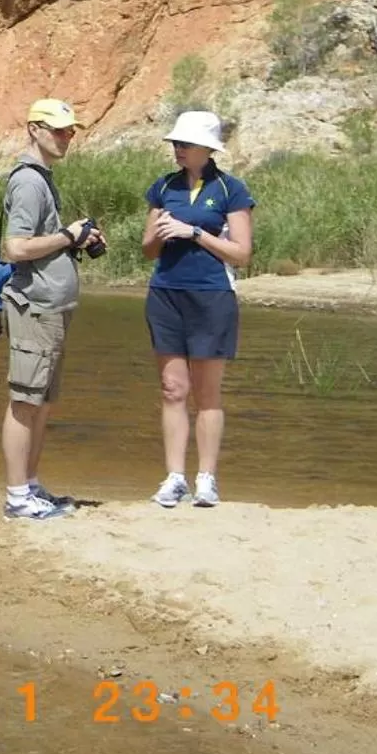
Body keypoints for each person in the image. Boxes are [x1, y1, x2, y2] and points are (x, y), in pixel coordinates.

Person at [141, 110, 255, 509]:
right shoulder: (163, 187)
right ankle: (174, 478)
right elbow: (148, 249)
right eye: (175, 143)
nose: (178, 150)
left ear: (208, 149)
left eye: (185, 144)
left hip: (211, 296)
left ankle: (206, 479)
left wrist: (196, 233)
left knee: (207, 393)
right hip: (166, 293)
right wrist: (158, 231)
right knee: (173, 389)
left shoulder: (231, 190)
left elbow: (241, 254)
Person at [0, 98, 103, 520]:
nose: (67, 137)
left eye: (70, 130)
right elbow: (16, 247)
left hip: (50, 307)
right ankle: (17, 496)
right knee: (25, 401)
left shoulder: (43, 178)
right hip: (35, 307)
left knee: (40, 402)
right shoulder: (28, 182)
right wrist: (67, 236)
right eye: (59, 130)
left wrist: (78, 239)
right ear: (34, 129)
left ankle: (30, 485)